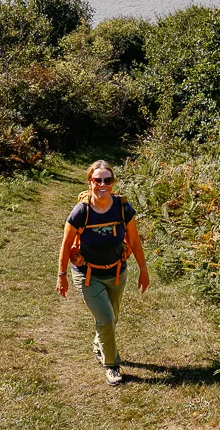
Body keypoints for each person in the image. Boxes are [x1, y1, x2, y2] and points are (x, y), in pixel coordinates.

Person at [56, 160, 149, 386]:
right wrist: (61, 275)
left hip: (117, 272)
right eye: (97, 180)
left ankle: (99, 346)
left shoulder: (122, 208)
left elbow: (134, 241)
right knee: (106, 319)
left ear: (113, 182)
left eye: (107, 180)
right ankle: (112, 366)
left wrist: (143, 270)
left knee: (111, 319)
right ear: (90, 182)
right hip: (88, 275)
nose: (102, 184)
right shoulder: (81, 212)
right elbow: (66, 245)